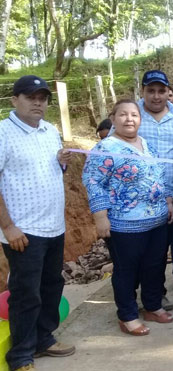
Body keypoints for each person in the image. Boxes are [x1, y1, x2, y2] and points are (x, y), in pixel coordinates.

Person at [83, 99, 173, 336]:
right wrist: (100, 216)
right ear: (113, 118)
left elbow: (159, 175)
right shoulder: (105, 148)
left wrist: (167, 201)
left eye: (134, 115)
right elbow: (94, 183)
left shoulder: (146, 144)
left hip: (156, 221)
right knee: (127, 271)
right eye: (123, 114)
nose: (129, 119)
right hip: (125, 224)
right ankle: (127, 315)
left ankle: (153, 306)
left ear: (140, 119)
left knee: (154, 266)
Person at [0, 75, 74, 371]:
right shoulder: (3, 132)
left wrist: (62, 161)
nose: (38, 102)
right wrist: (8, 227)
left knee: (51, 286)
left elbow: (52, 170)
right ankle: (20, 355)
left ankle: (44, 338)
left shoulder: (50, 130)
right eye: (30, 96)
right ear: (14, 100)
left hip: (53, 226)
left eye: (42, 97)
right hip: (23, 231)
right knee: (26, 293)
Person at [135, 70, 173, 309]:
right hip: (139, 198)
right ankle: (140, 293)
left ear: (169, 92)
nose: (156, 96)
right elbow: (111, 147)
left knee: (165, 246)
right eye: (151, 91)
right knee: (144, 248)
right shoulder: (132, 114)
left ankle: (156, 292)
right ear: (143, 91)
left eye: (161, 91)